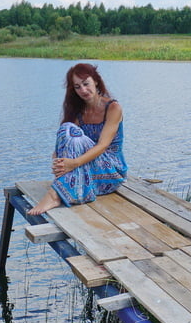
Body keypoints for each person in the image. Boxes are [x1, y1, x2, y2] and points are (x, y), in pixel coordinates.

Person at [28, 63, 127, 215]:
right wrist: (58, 161)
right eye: (77, 87)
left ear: (95, 81)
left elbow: (102, 146)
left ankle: (55, 194)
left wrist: (72, 164)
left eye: (86, 84)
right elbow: (65, 142)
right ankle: (59, 192)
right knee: (67, 128)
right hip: (85, 168)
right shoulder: (77, 110)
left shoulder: (113, 108)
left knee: (75, 136)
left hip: (110, 170)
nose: (83, 90)